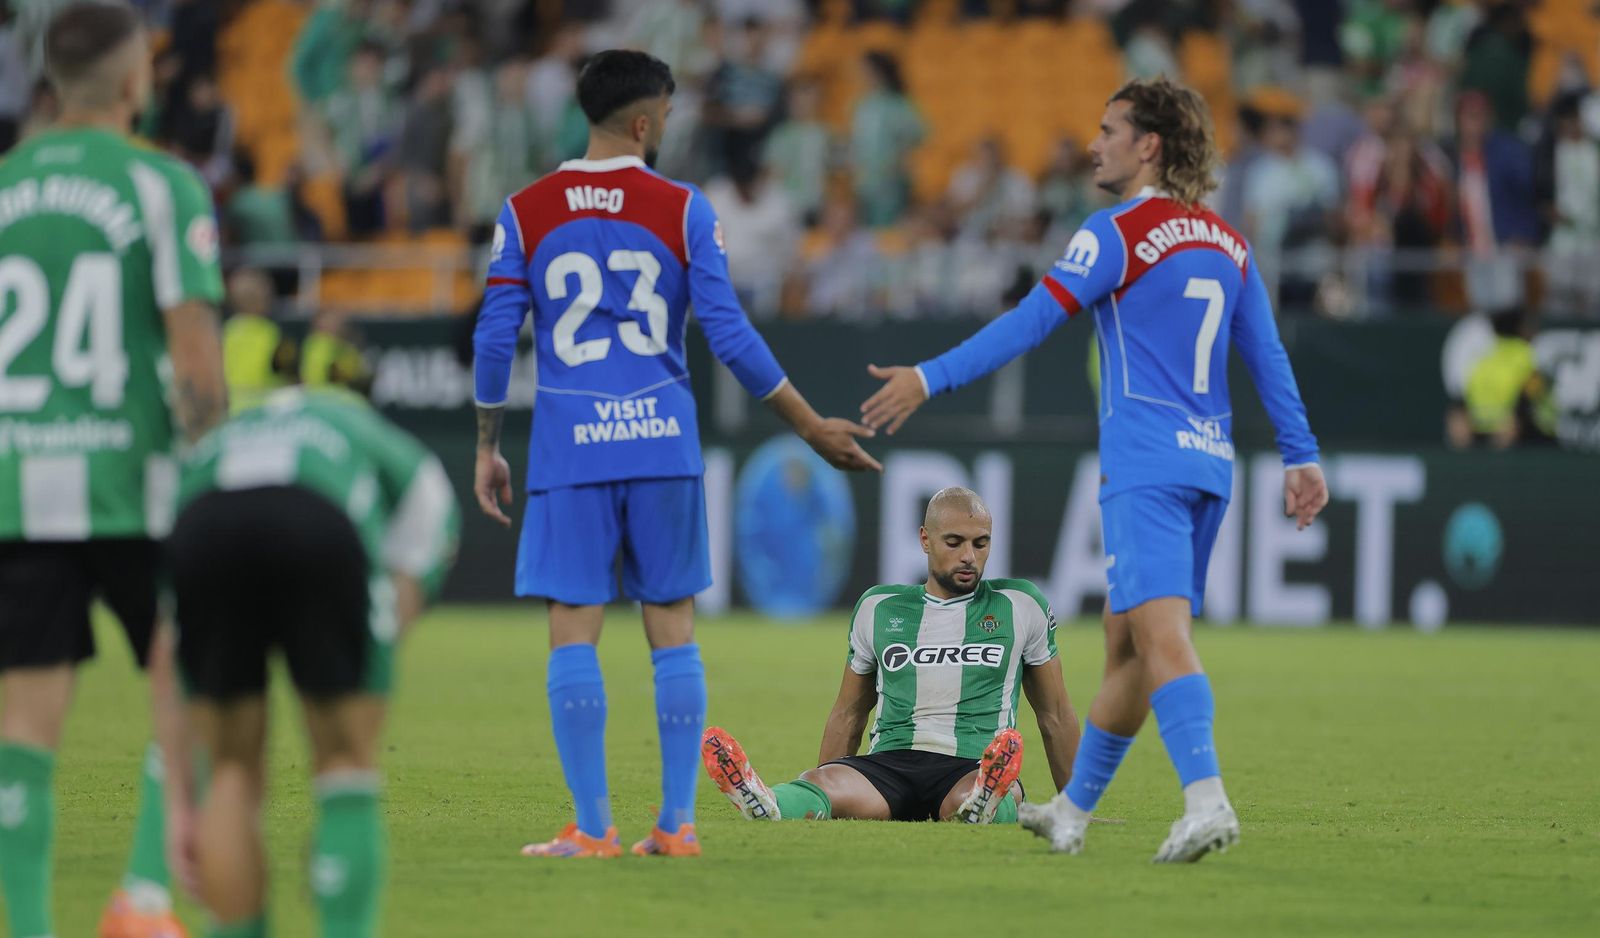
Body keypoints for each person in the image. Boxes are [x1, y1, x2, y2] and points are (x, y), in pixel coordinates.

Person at [860, 76, 1329, 862]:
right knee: (1127, 649)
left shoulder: (1116, 232)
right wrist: (1301, 453)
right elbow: (1267, 355)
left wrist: (928, 377)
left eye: (1109, 129)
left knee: (1163, 637)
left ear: (1149, 144)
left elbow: (1031, 320)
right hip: (1210, 468)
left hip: (1144, 466)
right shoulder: (1227, 241)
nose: (1093, 142)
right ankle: (1072, 810)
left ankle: (1206, 799)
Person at [471, 49, 880, 860]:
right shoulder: (684, 208)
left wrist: (487, 443)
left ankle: (592, 829)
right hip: (662, 439)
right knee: (674, 632)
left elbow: (494, 334)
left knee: (573, 631)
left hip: (570, 443)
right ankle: (677, 824)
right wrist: (807, 425)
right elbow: (727, 333)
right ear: (648, 122)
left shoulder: (526, 209)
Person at [0, 4, 228, 937]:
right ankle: (140, 894)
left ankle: (27, 922)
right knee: (196, 681)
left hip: (21, 489)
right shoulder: (161, 185)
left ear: (48, 84)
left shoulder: (3, 188)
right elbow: (198, 364)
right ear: (137, 81)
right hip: (141, 487)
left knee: (24, 730)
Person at [166, 379, 459, 938]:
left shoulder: (223, 438)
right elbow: (432, 509)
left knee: (229, 770)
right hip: (318, 519)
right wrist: (391, 617)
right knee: (345, 760)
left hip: (205, 524)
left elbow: (168, 633)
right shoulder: (358, 427)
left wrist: (182, 799)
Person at [702, 488, 1079, 825]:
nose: (969, 557)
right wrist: (831, 779)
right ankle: (767, 801)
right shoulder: (879, 606)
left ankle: (981, 802)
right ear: (925, 539)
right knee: (818, 782)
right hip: (889, 767)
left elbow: (1056, 715)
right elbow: (849, 713)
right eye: (954, 542)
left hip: (972, 765)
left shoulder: (1021, 604)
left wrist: (1075, 808)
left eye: (981, 544)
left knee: (987, 792)